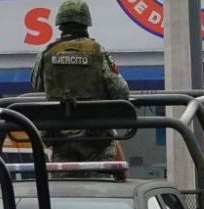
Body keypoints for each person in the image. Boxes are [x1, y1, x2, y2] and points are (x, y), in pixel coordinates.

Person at [31, 0, 130, 162]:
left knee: (64, 187)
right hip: (96, 143)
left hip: (60, 141)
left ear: (60, 24)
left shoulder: (47, 52)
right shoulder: (98, 51)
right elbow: (121, 92)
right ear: (86, 23)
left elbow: (37, 85)